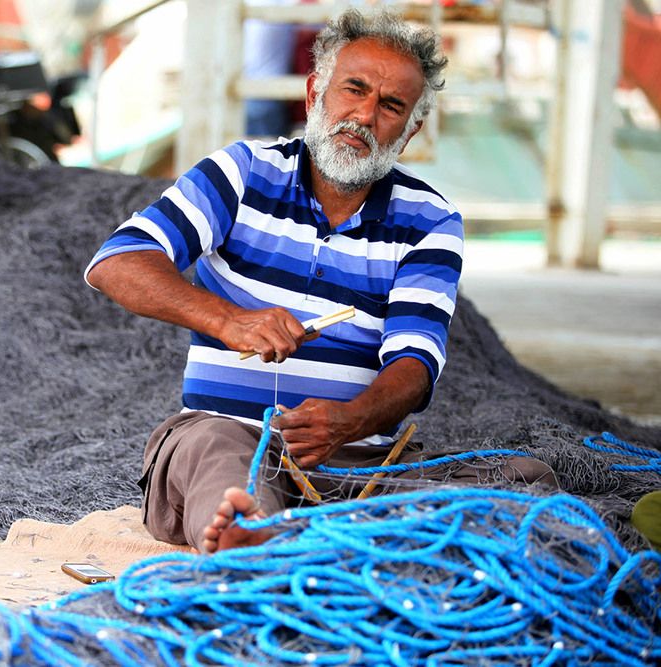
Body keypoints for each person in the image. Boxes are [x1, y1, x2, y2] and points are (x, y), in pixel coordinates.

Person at [85, 9, 556, 554]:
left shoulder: (431, 220)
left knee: (527, 478)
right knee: (216, 450)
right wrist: (229, 320)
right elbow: (117, 261)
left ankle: (290, 534)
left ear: (410, 132)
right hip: (228, 439)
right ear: (314, 94)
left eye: (391, 106)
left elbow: (415, 366)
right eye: (353, 89)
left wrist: (350, 421)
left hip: (357, 464)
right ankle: (252, 532)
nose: (364, 116)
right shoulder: (242, 173)